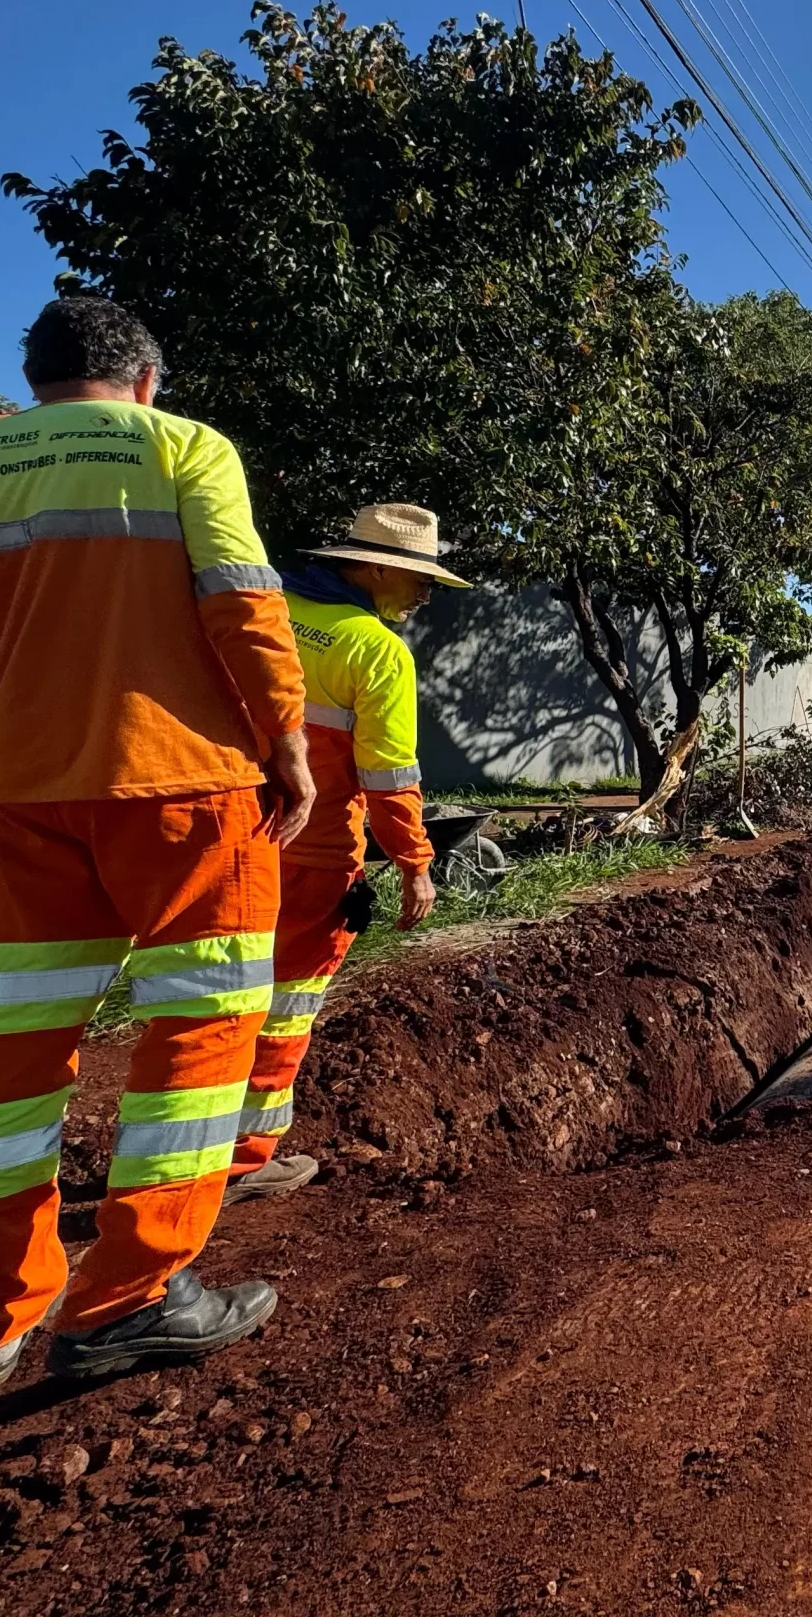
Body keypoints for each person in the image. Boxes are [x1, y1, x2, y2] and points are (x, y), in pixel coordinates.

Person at [0, 296, 313, 1396]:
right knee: (198, 1039)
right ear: (145, 379)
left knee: (12, 1057)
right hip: (187, 792)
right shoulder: (182, 447)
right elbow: (243, 607)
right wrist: (286, 742)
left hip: (24, 808)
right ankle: (131, 1297)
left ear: (36, 381)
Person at [224, 503, 465, 1202]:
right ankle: (243, 1159)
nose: (423, 595)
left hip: (218, 839)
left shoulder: (256, 609)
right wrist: (416, 865)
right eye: (418, 580)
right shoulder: (373, 649)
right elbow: (391, 776)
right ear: (376, 568)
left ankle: (170, 1149)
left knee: (209, 1000)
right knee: (284, 1007)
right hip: (313, 855)